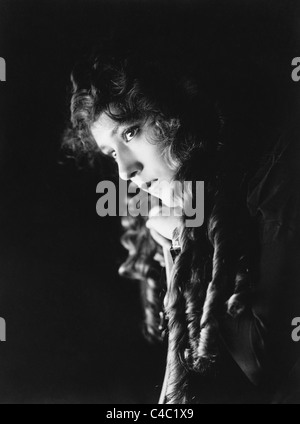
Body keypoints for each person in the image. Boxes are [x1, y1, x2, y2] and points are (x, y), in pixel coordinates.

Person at [63, 41, 300, 404]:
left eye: (130, 132)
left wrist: (183, 231)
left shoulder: (277, 182)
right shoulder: (177, 212)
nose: (126, 171)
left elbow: (270, 362)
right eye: (111, 153)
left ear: (177, 112)